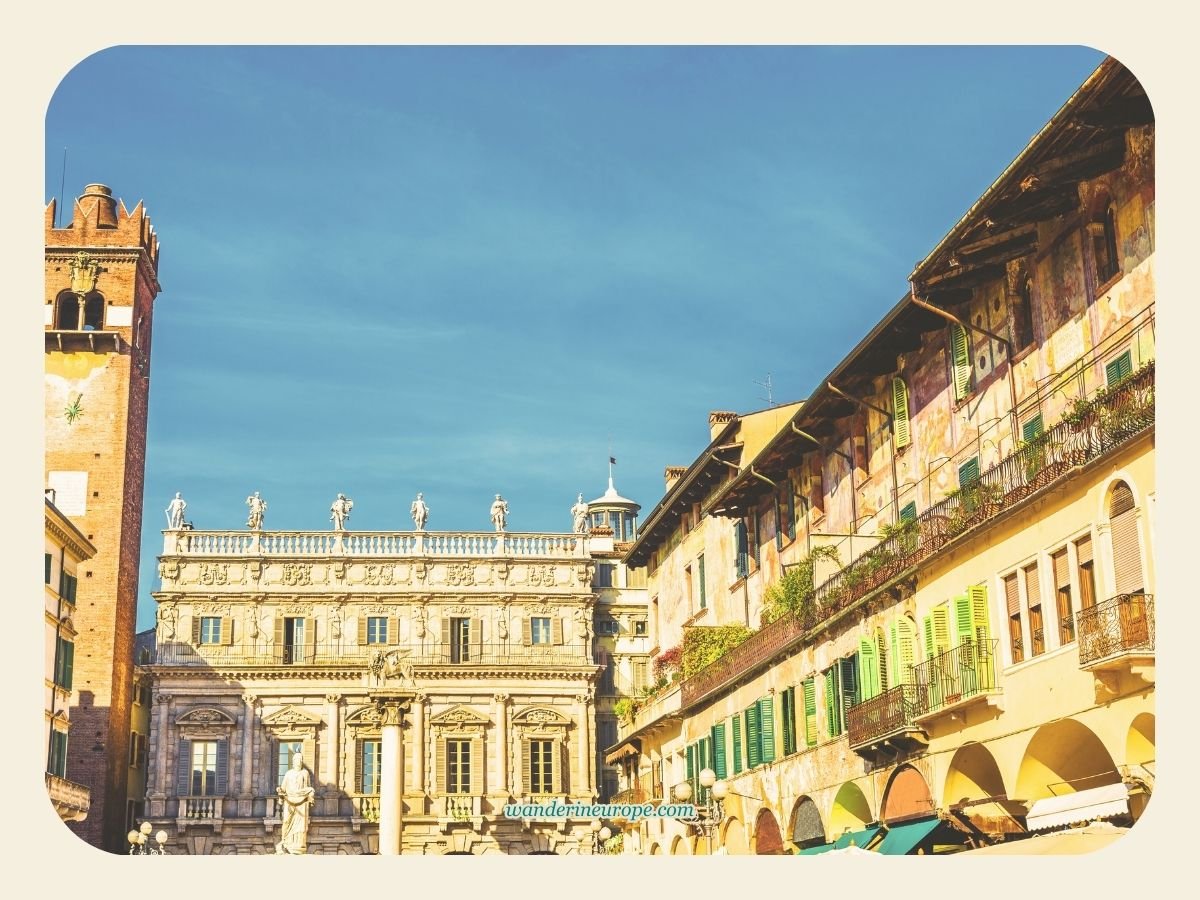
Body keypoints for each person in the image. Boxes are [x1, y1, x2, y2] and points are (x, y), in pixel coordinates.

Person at [275, 752, 315, 855]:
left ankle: (299, 844)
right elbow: (283, 787)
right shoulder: (288, 773)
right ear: (293, 761)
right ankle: (285, 841)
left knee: (300, 825)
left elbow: (308, 787)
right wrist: (280, 789)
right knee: (286, 822)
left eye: (300, 759)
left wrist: (310, 793)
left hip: (301, 802)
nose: (299, 761)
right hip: (289, 800)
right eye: (296, 759)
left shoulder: (305, 773)